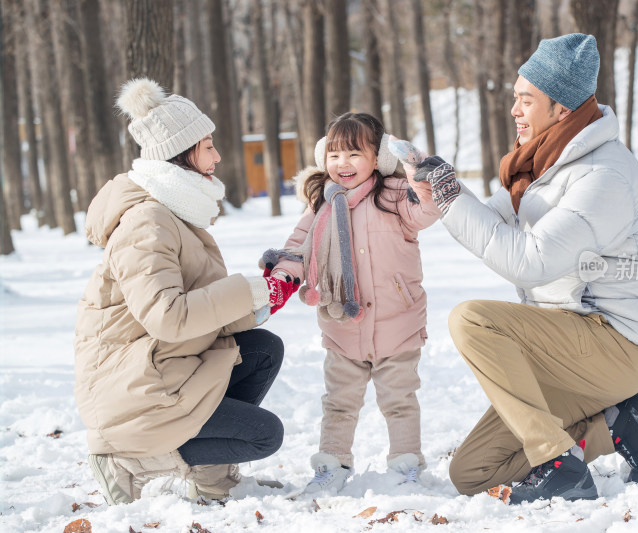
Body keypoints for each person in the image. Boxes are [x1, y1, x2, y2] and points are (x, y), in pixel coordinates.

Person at [390, 33, 638, 505]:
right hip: (565, 345)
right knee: (474, 472)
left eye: (527, 100)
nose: (515, 111)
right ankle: (617, 424)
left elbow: (529, 262)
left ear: (561, 108)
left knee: (472, 319)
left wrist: (450, 194)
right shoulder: (544, 168)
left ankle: (557, 464)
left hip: (616, 344)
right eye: (515, 99)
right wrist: (439, 192)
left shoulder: (604, 175)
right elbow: (493, 221)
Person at [74, 78, 295, 505]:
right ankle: (127, 462)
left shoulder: (176, 212)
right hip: (131, 388)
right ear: (181, 153)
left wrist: (267, 295)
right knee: (264, 435)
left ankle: (211, 475)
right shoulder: (147, 220)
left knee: (263, 348)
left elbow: (202, 308)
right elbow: (167, 316)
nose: (217, 156)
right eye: (207, 145)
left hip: (163, 364)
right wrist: (245, 289)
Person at [259, 112, 440, 494]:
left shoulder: (392, 195)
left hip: (397, 321)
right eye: (335, 154)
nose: (343, 164)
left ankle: (406, 467)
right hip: (342, 323)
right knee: (340, 402)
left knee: (400, 401)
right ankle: (332, 464)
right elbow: (297, 247)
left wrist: (419, 174)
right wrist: (282, 276)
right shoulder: (320, 205)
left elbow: (426, 212)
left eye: (355, 154)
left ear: (377, 158)